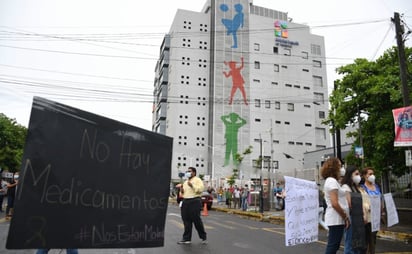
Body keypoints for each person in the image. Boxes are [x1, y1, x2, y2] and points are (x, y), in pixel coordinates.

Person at [321, 157, 350, 254]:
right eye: (340, 166)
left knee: (335, 245)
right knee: (333, 245)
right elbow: (334, 203)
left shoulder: (334, 181)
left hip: (337, 218)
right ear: (333, 168)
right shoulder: (331, 181)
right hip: (335, 218)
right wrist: (345, 216)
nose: (342, 168)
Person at [177, 167, 207, 245]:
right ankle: (186, 239)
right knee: (186, 220)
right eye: (187, 171)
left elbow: (200, 189)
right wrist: (181, 190)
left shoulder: (197, 180)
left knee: (196, 220)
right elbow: (182, 194)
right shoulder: (185, 181)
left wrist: (192, 186)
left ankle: (203, 237)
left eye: (189, 171)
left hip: (195, 201)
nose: (187, 172)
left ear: (194, 172)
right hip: (185, 201)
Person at [341, 165, 368, 254]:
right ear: (350, 175)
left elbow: (361, 203)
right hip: (352, 219)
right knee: (350, 244)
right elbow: (349, 204)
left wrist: (364, 215)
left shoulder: (356, 188)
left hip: (359, 219)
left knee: (358, 244)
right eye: (356, 174)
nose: (358, 176)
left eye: (359, 174)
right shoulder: (345, 187)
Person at [361, 167, 383, 254]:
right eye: (370, 174)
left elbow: (380, 200)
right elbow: (363, 202)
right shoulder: (362, 188)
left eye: (373, 174)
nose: (372, 176)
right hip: (368, 217)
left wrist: (382, 212)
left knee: (373, 239)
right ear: (364, 176)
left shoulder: (377, 186)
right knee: (367, 240)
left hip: (376, 217)